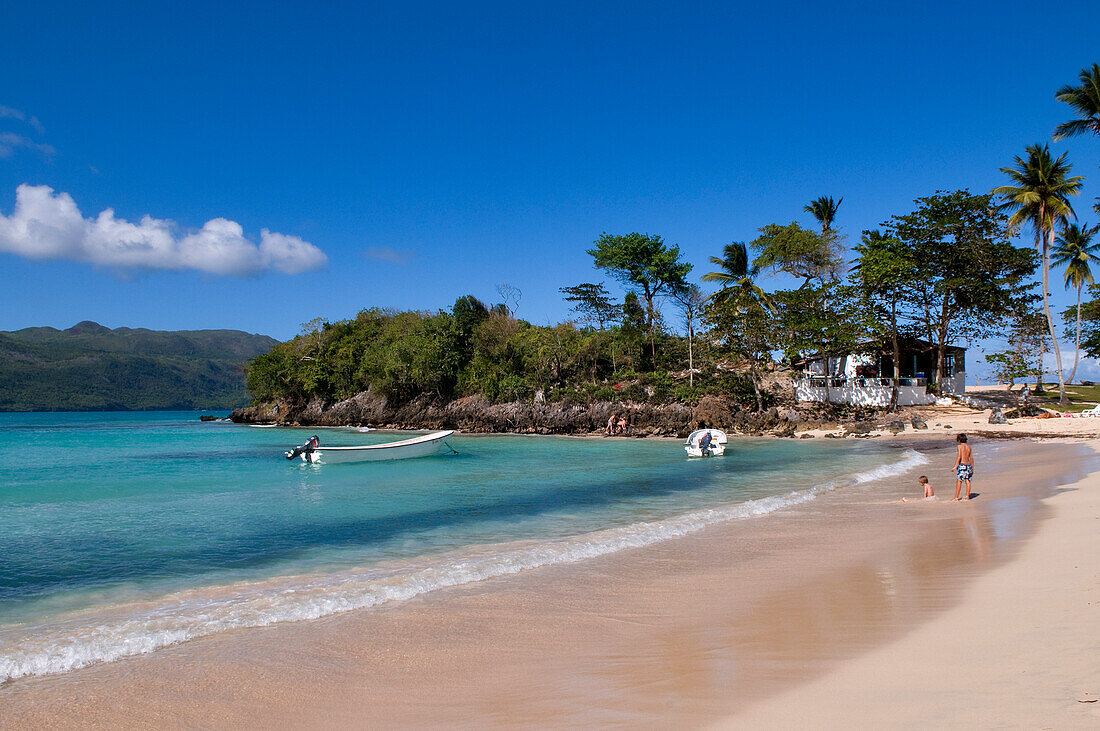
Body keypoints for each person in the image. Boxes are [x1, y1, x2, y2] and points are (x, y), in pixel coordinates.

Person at [953, 433, 973, 501]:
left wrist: (955, 466)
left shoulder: (960, 446)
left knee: (959, 481)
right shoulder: (969, 447)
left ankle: (956, 497)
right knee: (967, 480)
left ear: (959, 440)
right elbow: (971, 458)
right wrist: (972, 467)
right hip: (969, 465)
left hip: (962, 465)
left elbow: (959, 457)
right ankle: (967, 496)